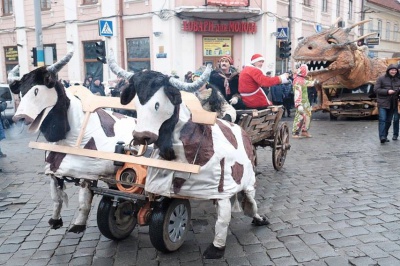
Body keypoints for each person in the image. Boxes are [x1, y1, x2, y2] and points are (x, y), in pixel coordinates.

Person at [374, 64, 400, 143]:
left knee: (388, 121)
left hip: (393, 103)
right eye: (392, 70)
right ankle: (382, 137)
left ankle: (385, 135)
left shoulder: (398, 79)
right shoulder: (381, 78)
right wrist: (387, 91)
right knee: (382, 119)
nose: (393, 71)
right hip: (383, 103)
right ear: (388, 70)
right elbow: (376, 89)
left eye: (395, 70)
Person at [292, 64, 313, 139]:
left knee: (307, 116)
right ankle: (295, 132)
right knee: (299, 116)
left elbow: (310, 83)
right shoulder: (297, 80)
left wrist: (318, 80)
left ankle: (304, 130)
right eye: (306, 70)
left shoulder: (302, 79)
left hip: (306, 102)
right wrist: (298, 104)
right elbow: (297, 93)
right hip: (301, 102)